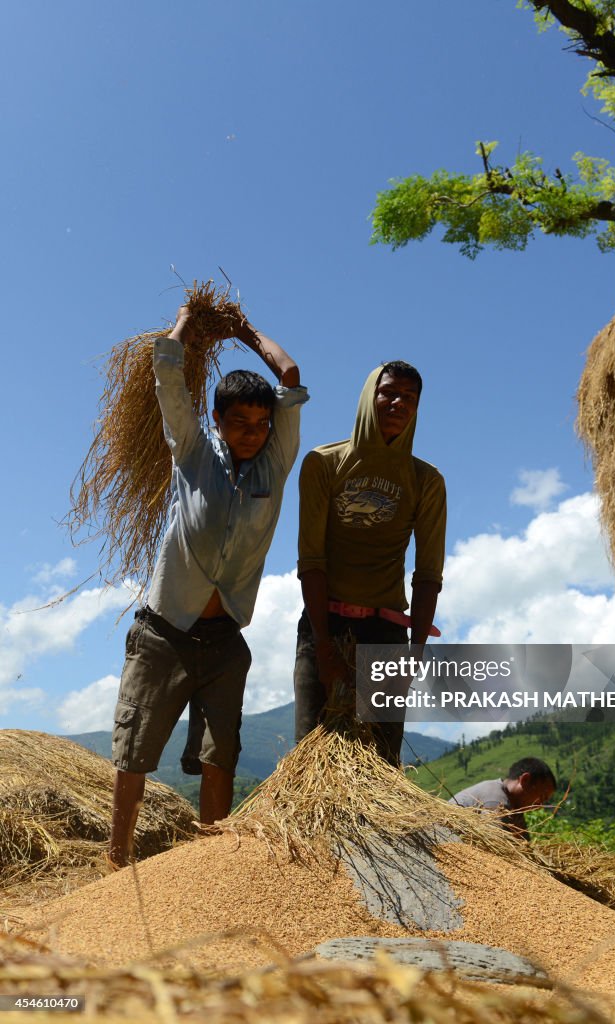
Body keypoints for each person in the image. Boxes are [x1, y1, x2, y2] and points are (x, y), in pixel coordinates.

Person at [108, 305, 308, 867]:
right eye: (240, 423)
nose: (252, 434)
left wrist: (243, 331)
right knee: (135, 750)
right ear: (217, 421)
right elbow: (167, 367)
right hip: (164, 632)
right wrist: (188, 322)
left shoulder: (276, 465)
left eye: (261, 424)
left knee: (222, 755)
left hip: (224, 642)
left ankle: (208, 870)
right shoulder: (192, 453)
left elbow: (289, 377)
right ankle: (117, 859)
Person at [293, 360, 446, 765]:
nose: (398, 403)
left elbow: (428, 574)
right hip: (324, 624)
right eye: (389, 393)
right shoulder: (324, 463)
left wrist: (414, 654)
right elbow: (311, 561)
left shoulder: (426, 481)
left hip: (385, 634)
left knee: (380, 764)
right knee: (310, 762)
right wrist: (324, 649)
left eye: (409, 398)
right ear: (368, 397)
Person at [449, 757, 557, 840]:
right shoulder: (496, 800)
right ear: (525, 780)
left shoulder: (515, 811)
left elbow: (525, 848)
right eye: (541, 797)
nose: (540, 806)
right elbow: (496, 844)